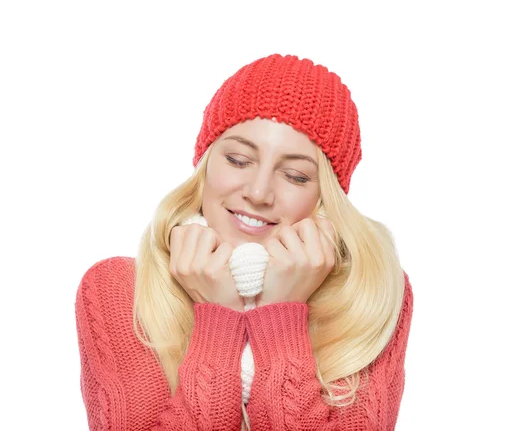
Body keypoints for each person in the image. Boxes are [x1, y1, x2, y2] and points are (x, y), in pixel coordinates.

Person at [75, 53, 414, 430]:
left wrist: (282, 313)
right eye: (238, 160)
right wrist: (218, 318)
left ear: (326, 198)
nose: (258, 192)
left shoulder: (370, 293)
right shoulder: (119, 290)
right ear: (205, 164)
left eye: (296, 176)